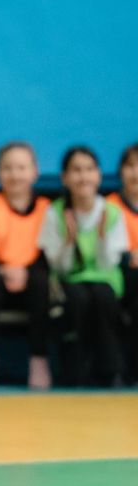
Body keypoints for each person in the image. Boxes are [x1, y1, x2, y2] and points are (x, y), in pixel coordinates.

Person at [39, 146, 127, 386]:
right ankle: (76, 371)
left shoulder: (112, 212)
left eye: (89, 169)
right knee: (77, 299)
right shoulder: (55, 212)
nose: (83, 176)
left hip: (104, 278)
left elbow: (109, 262)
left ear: (99, 175)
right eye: (76, 170)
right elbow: (59, 267)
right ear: (64, 177)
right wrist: (69, 241)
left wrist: (102, 237)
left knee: (102, 297)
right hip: (70, 280)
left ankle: (111, 370)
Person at [0, 142, 52, 390]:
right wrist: (3, 269)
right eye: (7, 168)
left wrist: (26, 272)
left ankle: (39, 359)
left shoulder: (47, 207)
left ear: (35, 171)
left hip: (32, 278)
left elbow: (49, 253)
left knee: (41, 282)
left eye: (21, 167)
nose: (15, 175)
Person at [104, 143, 138, 380]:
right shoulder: (109, 205)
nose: (136, 173)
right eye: (130, 166)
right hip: (119, 274)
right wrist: (128, 256)